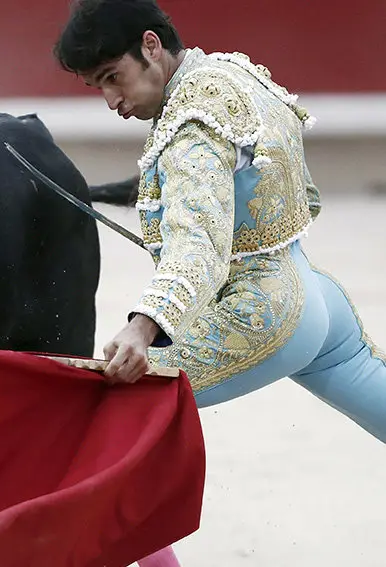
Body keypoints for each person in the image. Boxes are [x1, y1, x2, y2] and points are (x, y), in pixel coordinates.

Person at [52, 0, 386, 565]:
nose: (112, 101)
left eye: (114, 77)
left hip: (262, 313)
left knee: (96, 420)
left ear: (151, 46)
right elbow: (263, 182)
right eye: (97, 87)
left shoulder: (190, 128)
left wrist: (144, 326)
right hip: (315, 295)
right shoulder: (229, 73)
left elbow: (198, 247)